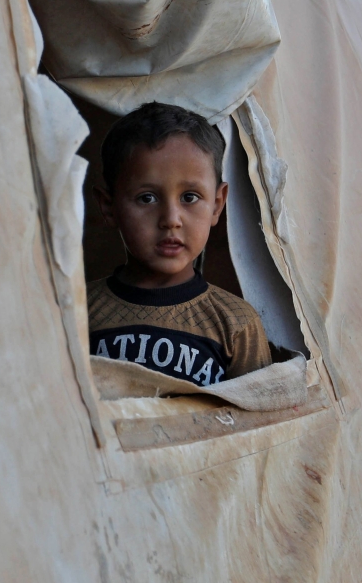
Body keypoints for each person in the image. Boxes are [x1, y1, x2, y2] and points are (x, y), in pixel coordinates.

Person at [87, 102, 271, 386]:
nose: (171, 220)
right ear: (109, 207)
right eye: (147, 198)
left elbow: (261, 426)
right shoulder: (77, 311)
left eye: (190, 197)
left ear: (217, 204)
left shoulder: (235, 324)